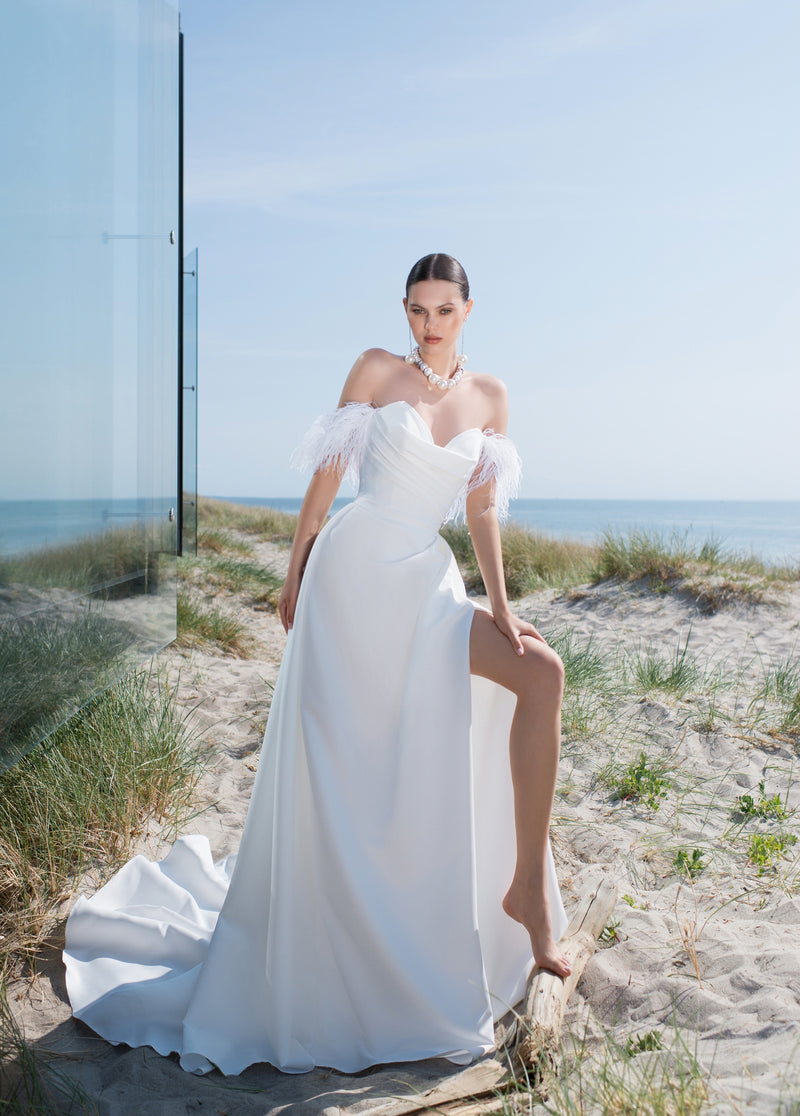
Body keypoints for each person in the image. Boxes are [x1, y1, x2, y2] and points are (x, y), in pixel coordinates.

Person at [63, 253, 570, 1077]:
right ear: (404, 311)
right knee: (351, 762)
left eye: (444, 310)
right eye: (417, 309)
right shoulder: (377, 369)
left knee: (542, 675)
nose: (429, 324)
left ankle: (527, 896)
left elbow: (481, 512)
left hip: (429, 585)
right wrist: (295, 565)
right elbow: (330, 474)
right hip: (351, 577)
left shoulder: (491, 398)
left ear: (469, 310)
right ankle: (346, 927)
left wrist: (503, 609)